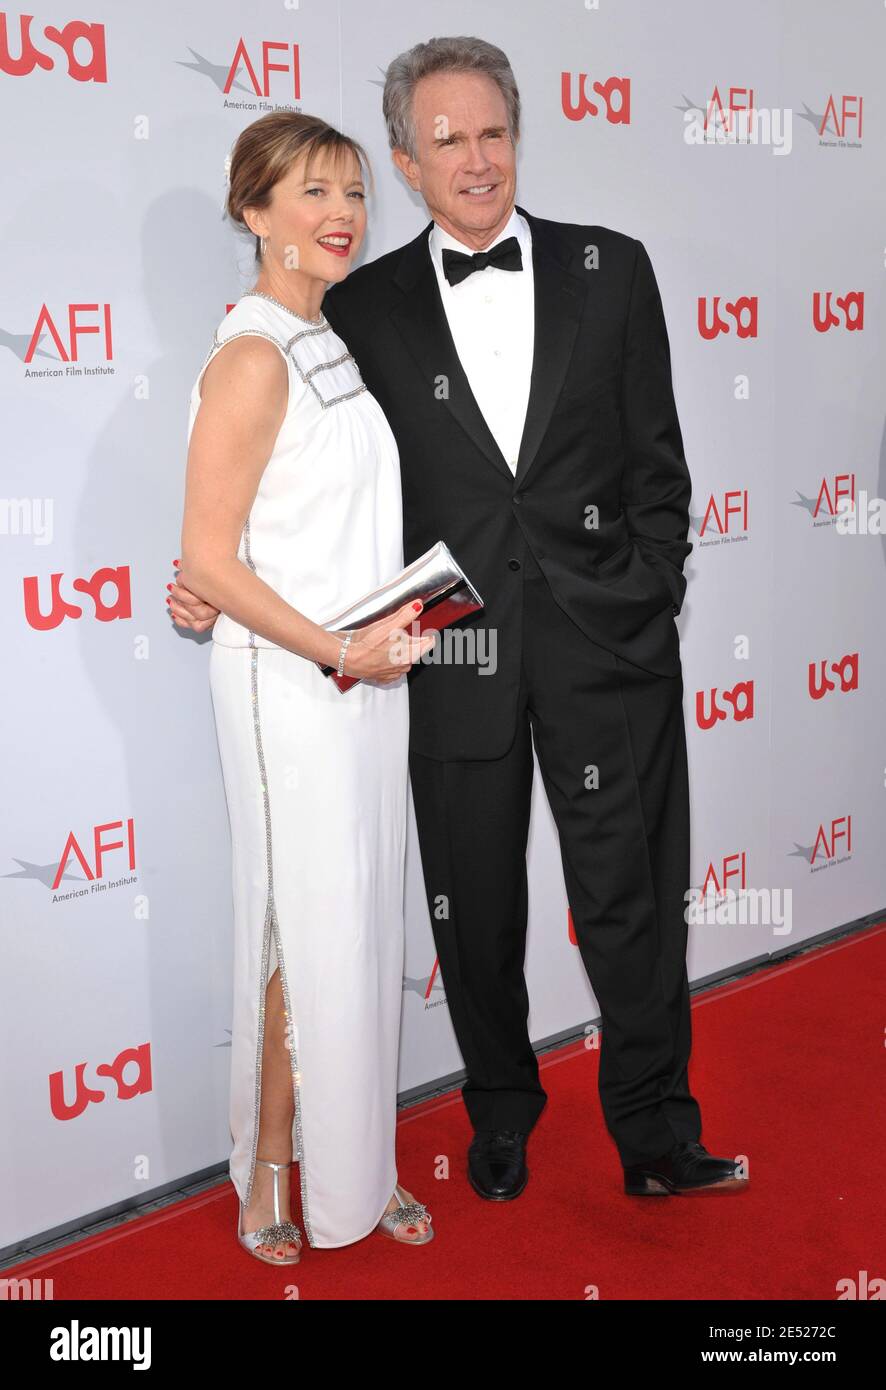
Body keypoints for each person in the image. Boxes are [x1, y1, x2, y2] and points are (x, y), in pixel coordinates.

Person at [173, 37, 747, 1205]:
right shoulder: (361, 308)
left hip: (607, 651)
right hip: (450, 659)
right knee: (474, 911)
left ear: (516, 138)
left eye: (492, 133)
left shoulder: (613, 269)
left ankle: (654, 1132)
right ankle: (500, 1114)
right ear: (405, 159)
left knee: (632, 901)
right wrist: (205, 572)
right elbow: (286, 460)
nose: (475, 160)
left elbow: (659, 469)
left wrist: (650, 598)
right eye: (446, 141)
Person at [179, 110, 438, 1262]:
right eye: (312, 193)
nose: (341, 214)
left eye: (352, 193)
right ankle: (271, 1168)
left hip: (362, 678)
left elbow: (288, 524)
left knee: (358, 921)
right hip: (293, 690)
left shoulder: (324, 337)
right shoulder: (247, 354)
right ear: (254, 211)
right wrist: (337, 652)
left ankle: (353, 1162)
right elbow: (209, 560)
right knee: (301, 929)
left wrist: (376, 638)